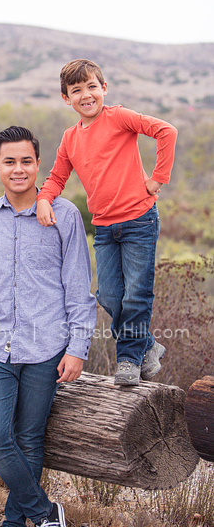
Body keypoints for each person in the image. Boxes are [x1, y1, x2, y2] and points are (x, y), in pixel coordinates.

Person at [0, 126, 96, 527]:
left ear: (38, 164)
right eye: (9, 162)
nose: (18, 169)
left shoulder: (65, 214)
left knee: (30, 437)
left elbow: (78, 287)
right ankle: (46, 513)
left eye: (26, 161)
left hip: (47, 347)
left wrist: (78, 347)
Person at [37, 59, 177, 387]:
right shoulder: (71, 138)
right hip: (104, 227)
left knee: (136, 294)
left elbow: (166, 131)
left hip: (140, 220)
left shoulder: (118, 117)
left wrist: (158, 178)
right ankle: (147, 344)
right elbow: (58, 176)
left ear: (104, 89)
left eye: (91, 87)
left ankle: (128, 359)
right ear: (65, 98)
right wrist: (44, 198)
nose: (86, 95)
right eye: (76, 90)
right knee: (110, 296)